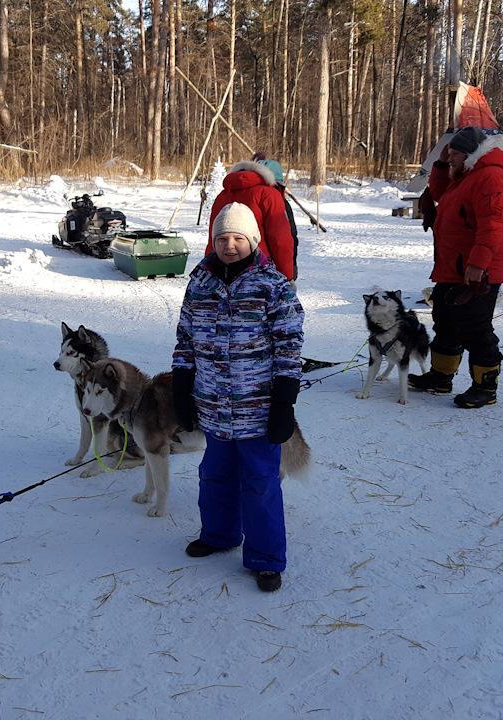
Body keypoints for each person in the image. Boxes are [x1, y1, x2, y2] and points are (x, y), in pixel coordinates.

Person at [173, 202, 305, 592]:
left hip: (257, 410)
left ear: (253, 240)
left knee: (260, 482)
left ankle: (265, 557)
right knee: (214, 475)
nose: (230, 246)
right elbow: (185, 339)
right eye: (222, 238)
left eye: (238, 238)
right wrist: (183, 390)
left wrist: (283, 403)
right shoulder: (199, 282)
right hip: (213, 406)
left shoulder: (272, 285)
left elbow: (289, 346)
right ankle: (218, 535)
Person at [408, 126, 503, 408]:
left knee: (474, 327)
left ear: (470, 154)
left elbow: (494, 224)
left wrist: (478, 263)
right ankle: (441, 377)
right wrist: (442, 164)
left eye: (454, 154)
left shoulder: (491, 177)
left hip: (479, 269)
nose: (450, 158)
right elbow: (442, 194)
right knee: (445, 322)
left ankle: (485, 387)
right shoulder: (465, 176)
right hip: (453, 267)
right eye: (450, 155)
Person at [203, 159, 296, 281]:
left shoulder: (222, 195)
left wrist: (209, 270)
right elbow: (280, 239)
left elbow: (213, 237)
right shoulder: (269, 194)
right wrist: (287, 277)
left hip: (222, 267)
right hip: (258, 269)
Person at [252, 151, 300, 279]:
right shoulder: (277, 202)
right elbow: (285, 239)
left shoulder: (233, 196)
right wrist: (289, 273)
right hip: (266, 270)